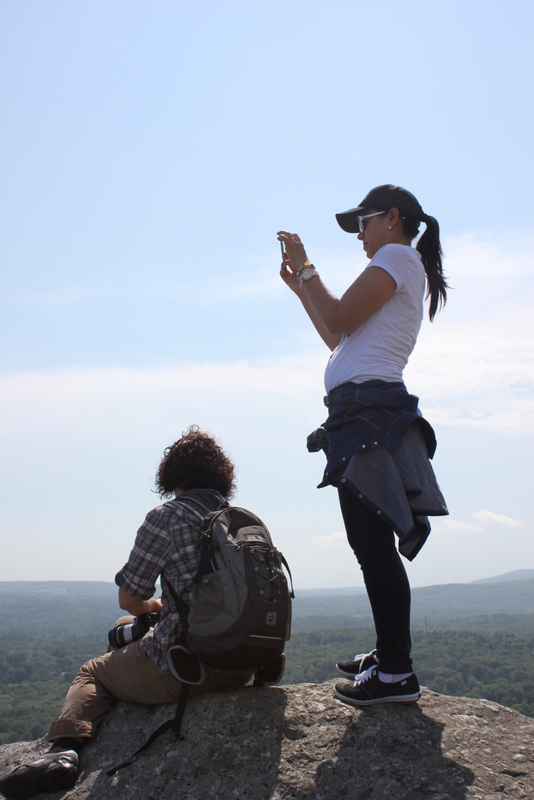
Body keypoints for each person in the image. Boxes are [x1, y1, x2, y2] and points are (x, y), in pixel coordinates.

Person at [0, 427, 252, 800]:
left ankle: (62, 751)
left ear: (173, 475)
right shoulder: (241, 520)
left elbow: (130, 600)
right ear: (221, 475)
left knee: (92, 671)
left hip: (191, 668)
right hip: (245, 661)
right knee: (125, 629)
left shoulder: (167, 516)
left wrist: (155, 607)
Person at [277, 184, 449, 708]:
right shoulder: (399, 264)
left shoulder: (397, 255)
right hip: (363, 413)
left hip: (368, 413)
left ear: (391, 219)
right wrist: (303, 290)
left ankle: (397, 671)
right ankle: (388, 654)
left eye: (363, 223)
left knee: (372, 548)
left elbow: (338, 319)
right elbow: (338, 337)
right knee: (369, 546)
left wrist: (308, 270)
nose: (359, 235)